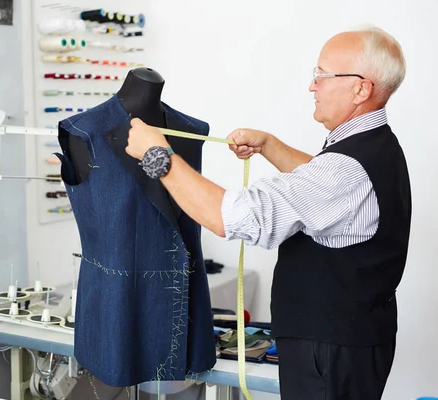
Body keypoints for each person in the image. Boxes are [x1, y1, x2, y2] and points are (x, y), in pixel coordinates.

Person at [125, 26, 411, 400]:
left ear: (361, 89)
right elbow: (324, 189)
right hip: (352, 342)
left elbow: (234, 216)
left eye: (321, 76)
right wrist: (270, 146)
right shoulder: (373, 148)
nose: (312, 86)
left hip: (331, 351)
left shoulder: (344, 171)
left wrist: (158, 157)